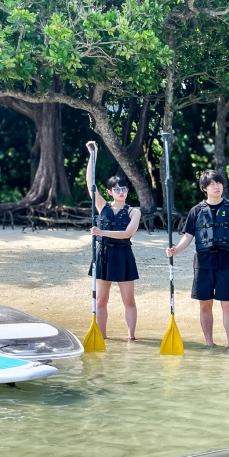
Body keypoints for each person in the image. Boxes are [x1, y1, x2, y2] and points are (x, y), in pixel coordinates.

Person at [166, 170, 229, 351]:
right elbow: (188, 236)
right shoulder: (196, 211)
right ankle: (209, 343)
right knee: (205, 305)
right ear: (204, 188)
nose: (217, 186)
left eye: (219, 183)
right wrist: (176, 249)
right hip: (203, 262)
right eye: (212, 184)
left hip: (226, 261)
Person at [85, 140, 142, 341]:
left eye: (123, 189)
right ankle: (102, 336)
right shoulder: (103, 206)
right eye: (116, 189)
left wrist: (101, 231)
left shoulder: (134, 211)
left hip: (123, 255)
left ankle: (131, 336)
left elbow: (127, 233)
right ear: (110, 192)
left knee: (128, 299)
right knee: (101, 300)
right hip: (104, 255)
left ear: (127, 191)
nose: (120, 191)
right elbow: (90, 185)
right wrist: (94, 155)